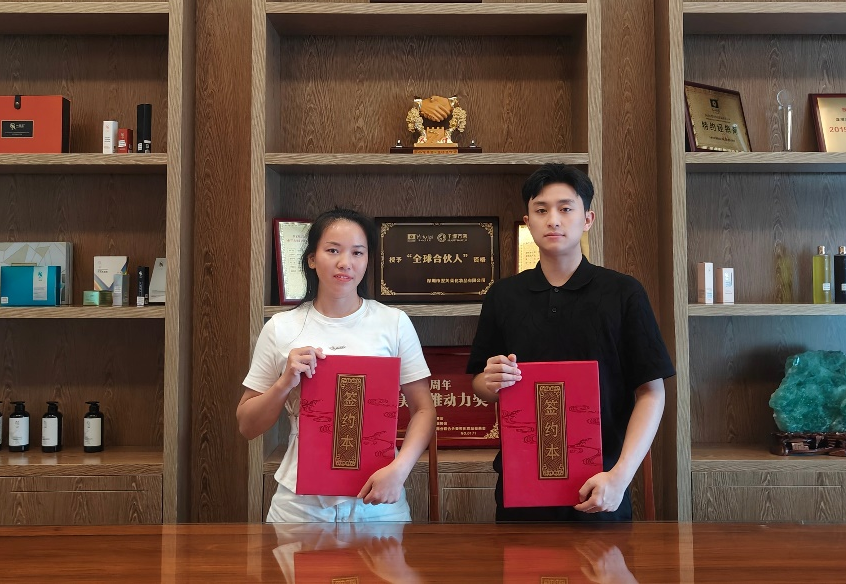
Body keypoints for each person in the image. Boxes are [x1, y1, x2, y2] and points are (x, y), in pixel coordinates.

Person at [466, 164, 675, 522]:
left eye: (565, 208)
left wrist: (621, 476)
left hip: (602, 484)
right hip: (521, 484)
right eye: (541, 210)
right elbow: (480, 385)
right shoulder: (503, 295)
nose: (553, 220)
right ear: (527, 221)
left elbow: (651, 393)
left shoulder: (623, 293)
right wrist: (491, 380)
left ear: (587, 218)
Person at [239, 208, 435, 523]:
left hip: (380, 499)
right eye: (333, 250)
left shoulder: (394, 323)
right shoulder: (281, 327)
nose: (345, 262)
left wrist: (399, 471)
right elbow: (248, 426)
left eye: (357, 252)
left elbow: (424, 409)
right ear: (311, 258)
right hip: (300, 504)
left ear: (367, 260)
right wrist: (285, 382)